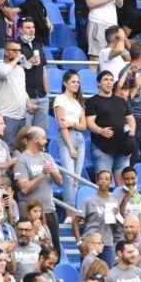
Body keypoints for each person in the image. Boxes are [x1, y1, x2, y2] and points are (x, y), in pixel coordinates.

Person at [85, 71, 134, 181]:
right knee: (103, 184)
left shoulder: (121, 100)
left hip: (123, 148)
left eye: (111, 80)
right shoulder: (92, 101)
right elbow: (90, 122)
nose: (109, 82)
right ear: (98, 83)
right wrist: (100, 131)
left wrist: (131, 135)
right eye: (106, 79)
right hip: (102, 149)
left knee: (123, 186)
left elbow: (131, 119)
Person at [53, 69, 87, 217]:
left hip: (80, 139)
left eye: (78, 82)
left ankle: (73, 212)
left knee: (76, 178)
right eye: (73, 81)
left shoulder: (78, 102)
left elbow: (84, 126)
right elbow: (62, 125)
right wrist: (70, 147)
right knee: (69, 176)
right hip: (67, 139)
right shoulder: (60, 99)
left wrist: (72, 122)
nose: (76, 84)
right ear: (65, 83)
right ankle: (69, 213)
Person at [72, 170, 121, 266]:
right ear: (97, 181)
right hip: (90, 243)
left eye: (107, 179)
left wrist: (117, 217)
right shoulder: (89, 200)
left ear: (111, 182)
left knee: (106, 274)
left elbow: (115, 227)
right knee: (88, 274)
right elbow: (75, 222)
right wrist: (79, 242)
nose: (103, 181)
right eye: (101, 179)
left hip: (106, 243)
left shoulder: (114, 201)